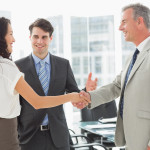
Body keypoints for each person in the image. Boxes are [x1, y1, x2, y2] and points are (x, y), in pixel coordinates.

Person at [0, 17, 90, 150]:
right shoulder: (16, 66)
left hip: (58, 137)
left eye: (44, 37)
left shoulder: (63, 64)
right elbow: (20, 102)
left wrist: (83, 93)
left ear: (50, 39)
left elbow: (73, 91)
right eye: (36, 36)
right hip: (28, 137)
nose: (39, 41)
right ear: (30, 37)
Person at [78, 3, 150, 150]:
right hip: (132, 139)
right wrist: (88, 96)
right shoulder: (132, 56)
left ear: (139, 21)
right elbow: (117, 86)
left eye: (124, 22)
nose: (119, 28)